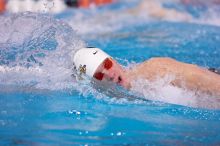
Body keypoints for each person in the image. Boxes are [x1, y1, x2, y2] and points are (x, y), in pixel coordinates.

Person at [73, 47, 220, 97]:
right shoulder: (119, 95)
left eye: (107, 64)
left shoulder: (155, 69)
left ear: (113, 59)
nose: (108, 73)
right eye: (99, 74)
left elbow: (212, 82)